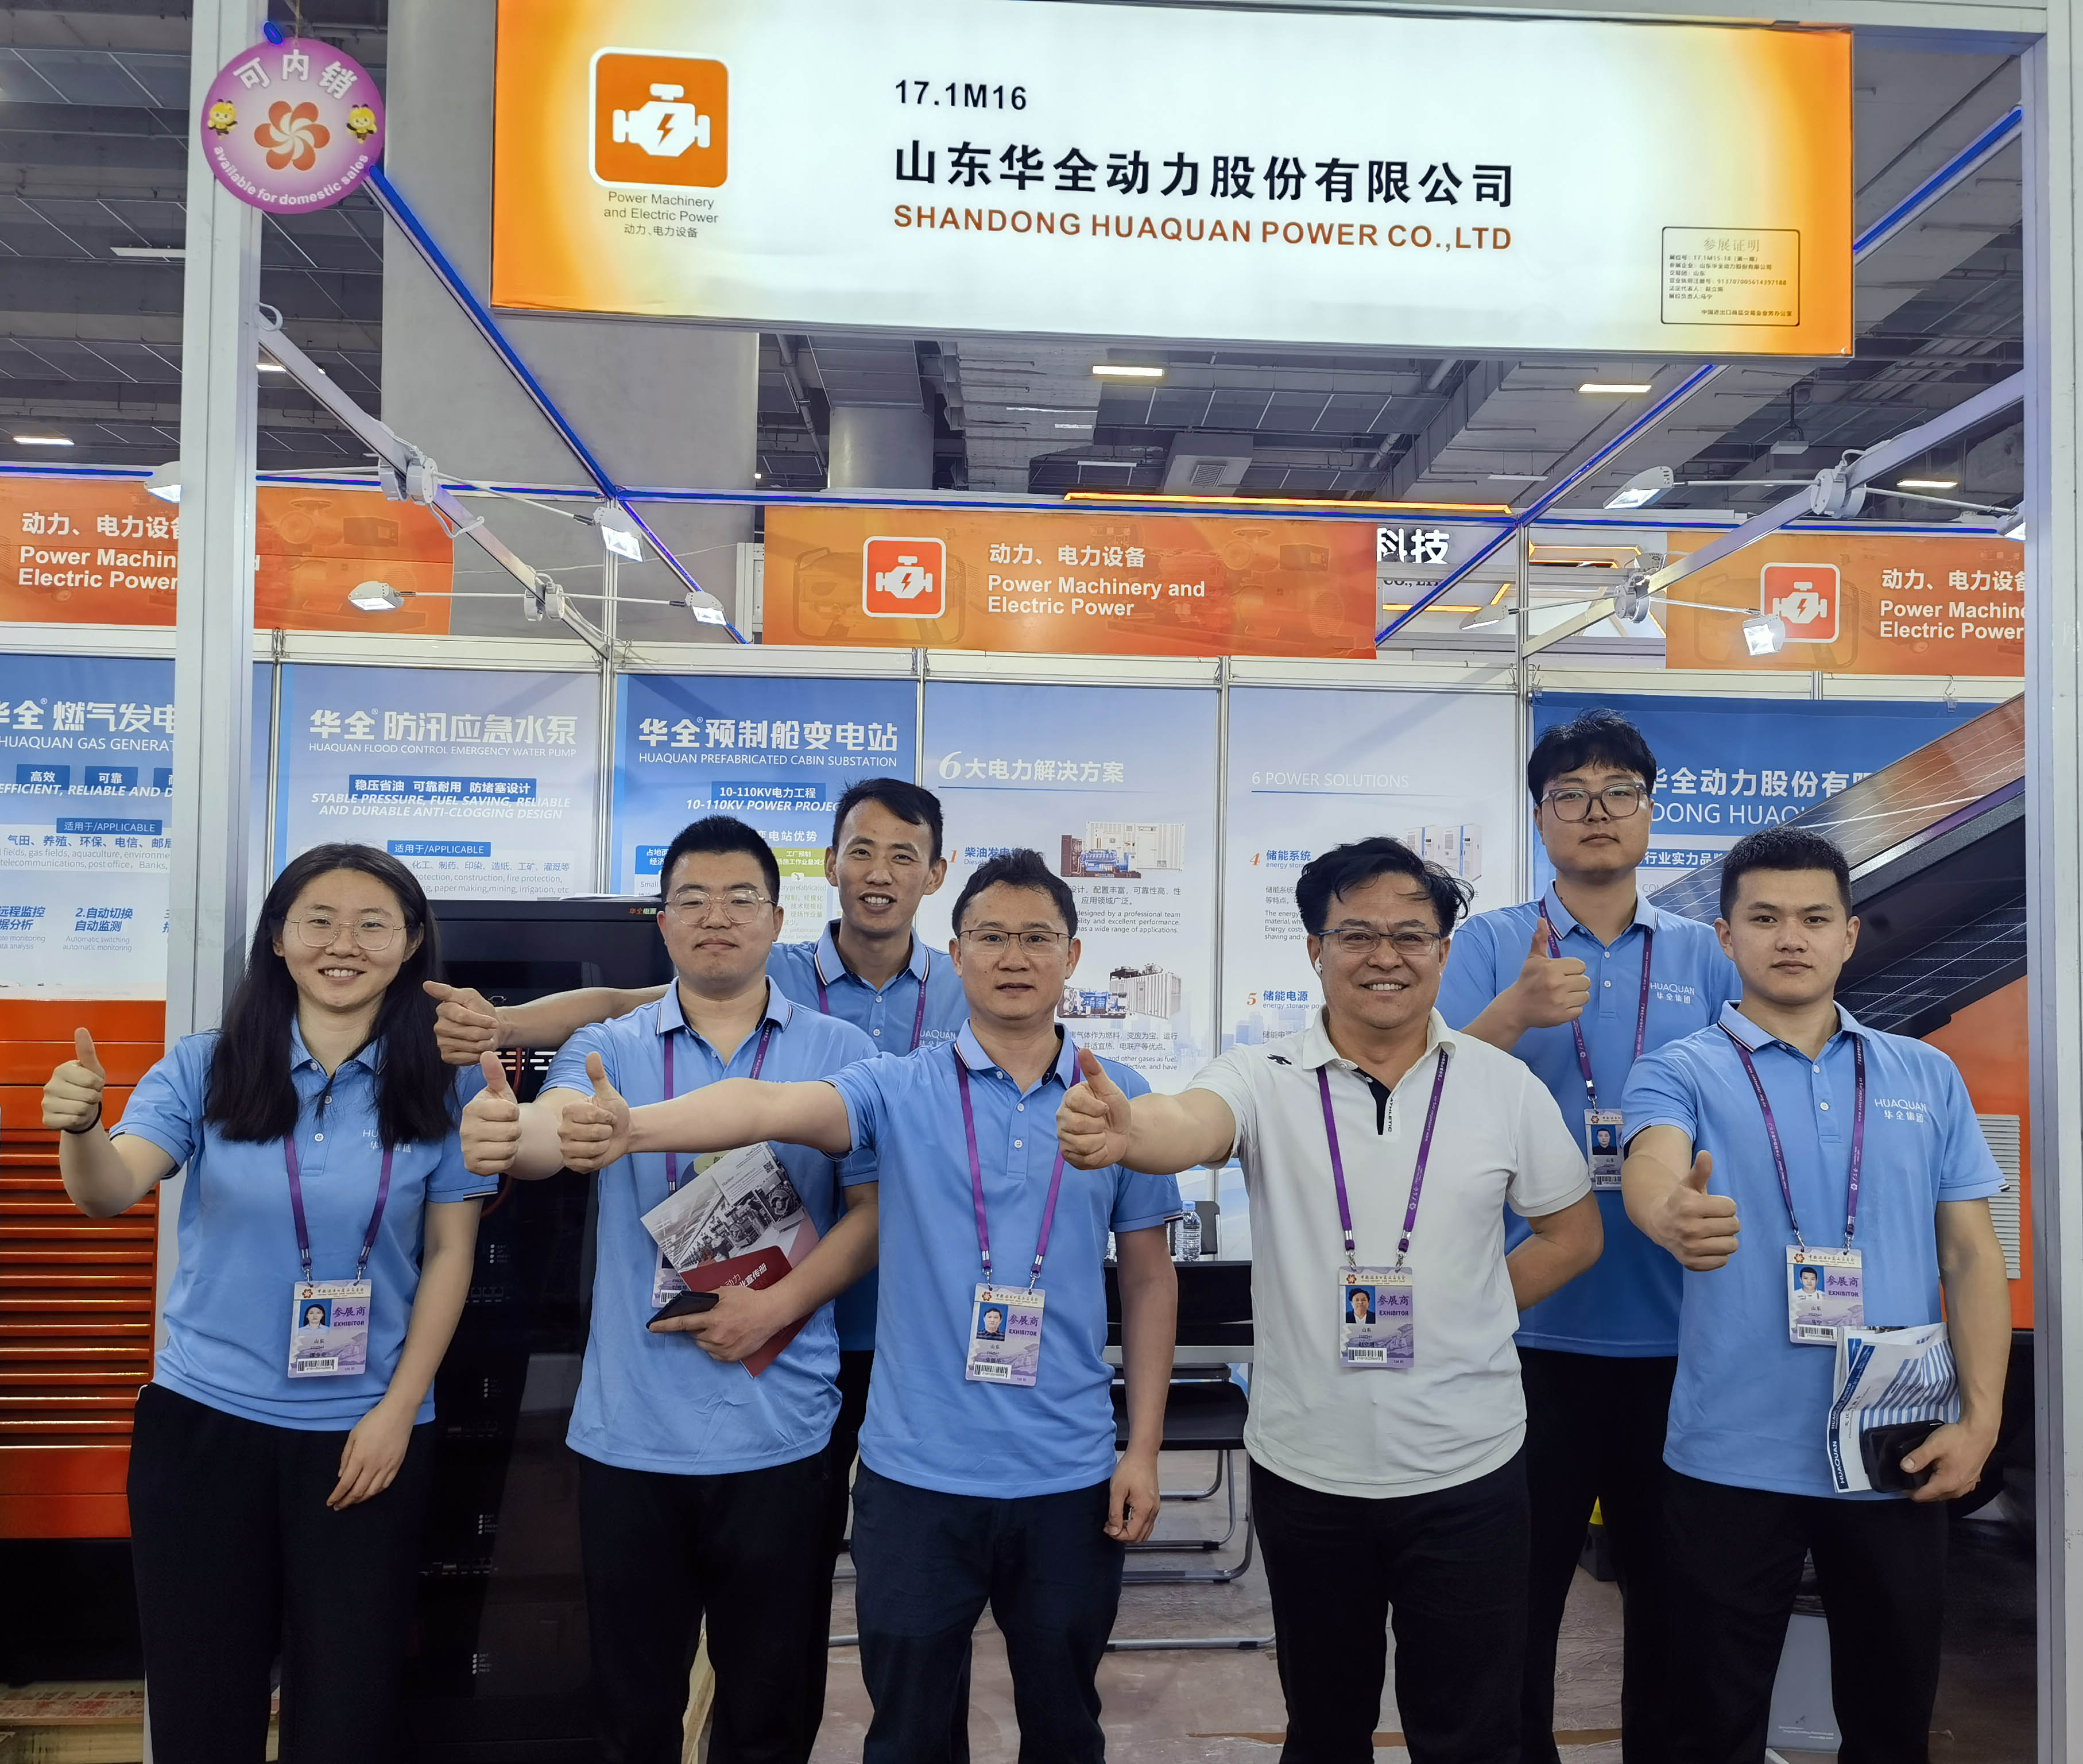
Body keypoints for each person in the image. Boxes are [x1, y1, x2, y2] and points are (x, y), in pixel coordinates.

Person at [549, 848, 1182, 1763]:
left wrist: (1144, 1449)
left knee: (1064, 1726)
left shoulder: (1114, 1096)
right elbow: (766, 1104)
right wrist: (635, 1127)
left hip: (1069, 1474)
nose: (1013, 957)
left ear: (1072, 956)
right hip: (914, 1478)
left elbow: (1150, 1278)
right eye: (991, 937)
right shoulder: (899, 1086)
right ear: (956, 955)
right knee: (909, 1735)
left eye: (1037, 938)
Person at [1058, 835, 1601, 1764]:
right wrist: (1129, 1131)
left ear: (1442, 951)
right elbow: (1189, 1122)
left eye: (1410, 935)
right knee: (1324, 1728)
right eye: (1356, 934)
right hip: (1308, 1471)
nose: (1384, 955)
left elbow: (1574, 1235)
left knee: (1472, 1735)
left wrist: (1472, 1309)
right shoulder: (1262, 1076)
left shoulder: (1502, 1087)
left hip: (1468, 1470)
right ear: (1316, 949)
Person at [428, 776, 964, 1553]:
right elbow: (604, 1027)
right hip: (701, 1378)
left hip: (883, 1320)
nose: (879, 873)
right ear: (830, 866)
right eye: (861, 852)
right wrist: (510, 1101)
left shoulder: (943, 999)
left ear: (936, 873)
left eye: (903, 856)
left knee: (886, 1544)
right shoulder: (757, 973)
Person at [40, 843, 491, 1763]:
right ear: (278, 939)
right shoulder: (206, 1067)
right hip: (205, 1430)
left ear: (412, 944)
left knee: (347, 1718)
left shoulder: (445, 1083)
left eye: (373, 924)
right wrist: (82, 1129)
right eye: (318, 920)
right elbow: (108, 1191)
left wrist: (398, 1411)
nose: (343, 943)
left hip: (367, 1438)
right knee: (203, 1714)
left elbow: (451, 1253)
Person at [457, 815, 876, 1764]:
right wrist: (509, 1136)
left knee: (770, 1718)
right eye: (691, 899)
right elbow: (558, 1128)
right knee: (630, 1716)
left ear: (778, 921)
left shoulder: (843, 1051)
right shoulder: (608, 1048)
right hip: (632, 1433)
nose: (715, 917)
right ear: (663, 922)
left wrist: (777, 1307)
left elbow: (875, 1212)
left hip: (784, 1429)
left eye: (740, 899)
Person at [1619, 826, 2010, 1764]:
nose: (1790, 937)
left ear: (1849, 934)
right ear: (1726, 937)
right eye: (1764, 918)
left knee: (1892, 1721)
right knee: (1709, 1725)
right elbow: (1652, 1168)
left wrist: (1982, 1422)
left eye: (1813, 918)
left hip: (1895, 1444)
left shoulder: (1925, 1074)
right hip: (1729, 1455)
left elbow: (1970, 1257)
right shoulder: (1678, 1069)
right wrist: (1670, 1213)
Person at [1437, 707, 1739, 1764]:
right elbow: (1421, 1089)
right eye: (1571, 794)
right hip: (1526, 1327)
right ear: (1540, 818)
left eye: (1620, 792)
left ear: (1651, 814)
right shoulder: (1489, 944)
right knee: (1514, 1599)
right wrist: (1513, 1012)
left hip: (1681, 1334)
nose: (1596, 812)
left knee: (1676, 1600)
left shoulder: (1707, 952)